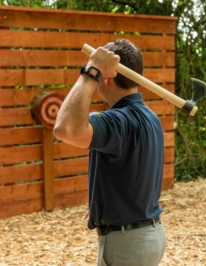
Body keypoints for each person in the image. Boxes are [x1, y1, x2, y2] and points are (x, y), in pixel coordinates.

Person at [54, 39, 166, 266]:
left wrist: (90, 70)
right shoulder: (150, 118)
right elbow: (131, 173)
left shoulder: (117, 121)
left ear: (106, 76)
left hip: (127, 244)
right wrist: (104, 205)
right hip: (147, 236)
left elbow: (65, 129)